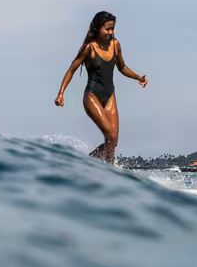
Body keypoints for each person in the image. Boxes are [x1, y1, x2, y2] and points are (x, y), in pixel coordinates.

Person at [54, 11, 147, 163]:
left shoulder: (115, 45)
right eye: (107, 29)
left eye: (112, 29)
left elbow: (122, 67)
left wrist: (138, 77)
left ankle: (94, 166)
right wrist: (61, 93)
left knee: (113, 141)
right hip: (92, 96)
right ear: (98, 28)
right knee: (110, 135)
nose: (111, 32)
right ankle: (103, 169)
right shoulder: (88, 48)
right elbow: (71, 69)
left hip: (109, 95)